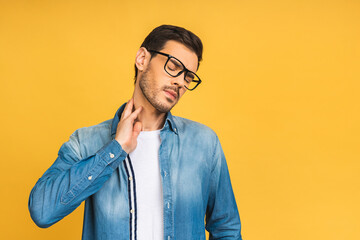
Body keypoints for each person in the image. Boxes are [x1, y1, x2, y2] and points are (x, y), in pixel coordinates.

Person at [28, 24, 242, 240]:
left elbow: (226, 228)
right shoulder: (86, 142)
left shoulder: (204, 144)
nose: (179, 81)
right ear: (142, 59)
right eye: (174, 66)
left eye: (188, 77)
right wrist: (115, 150)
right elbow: (42, 211)